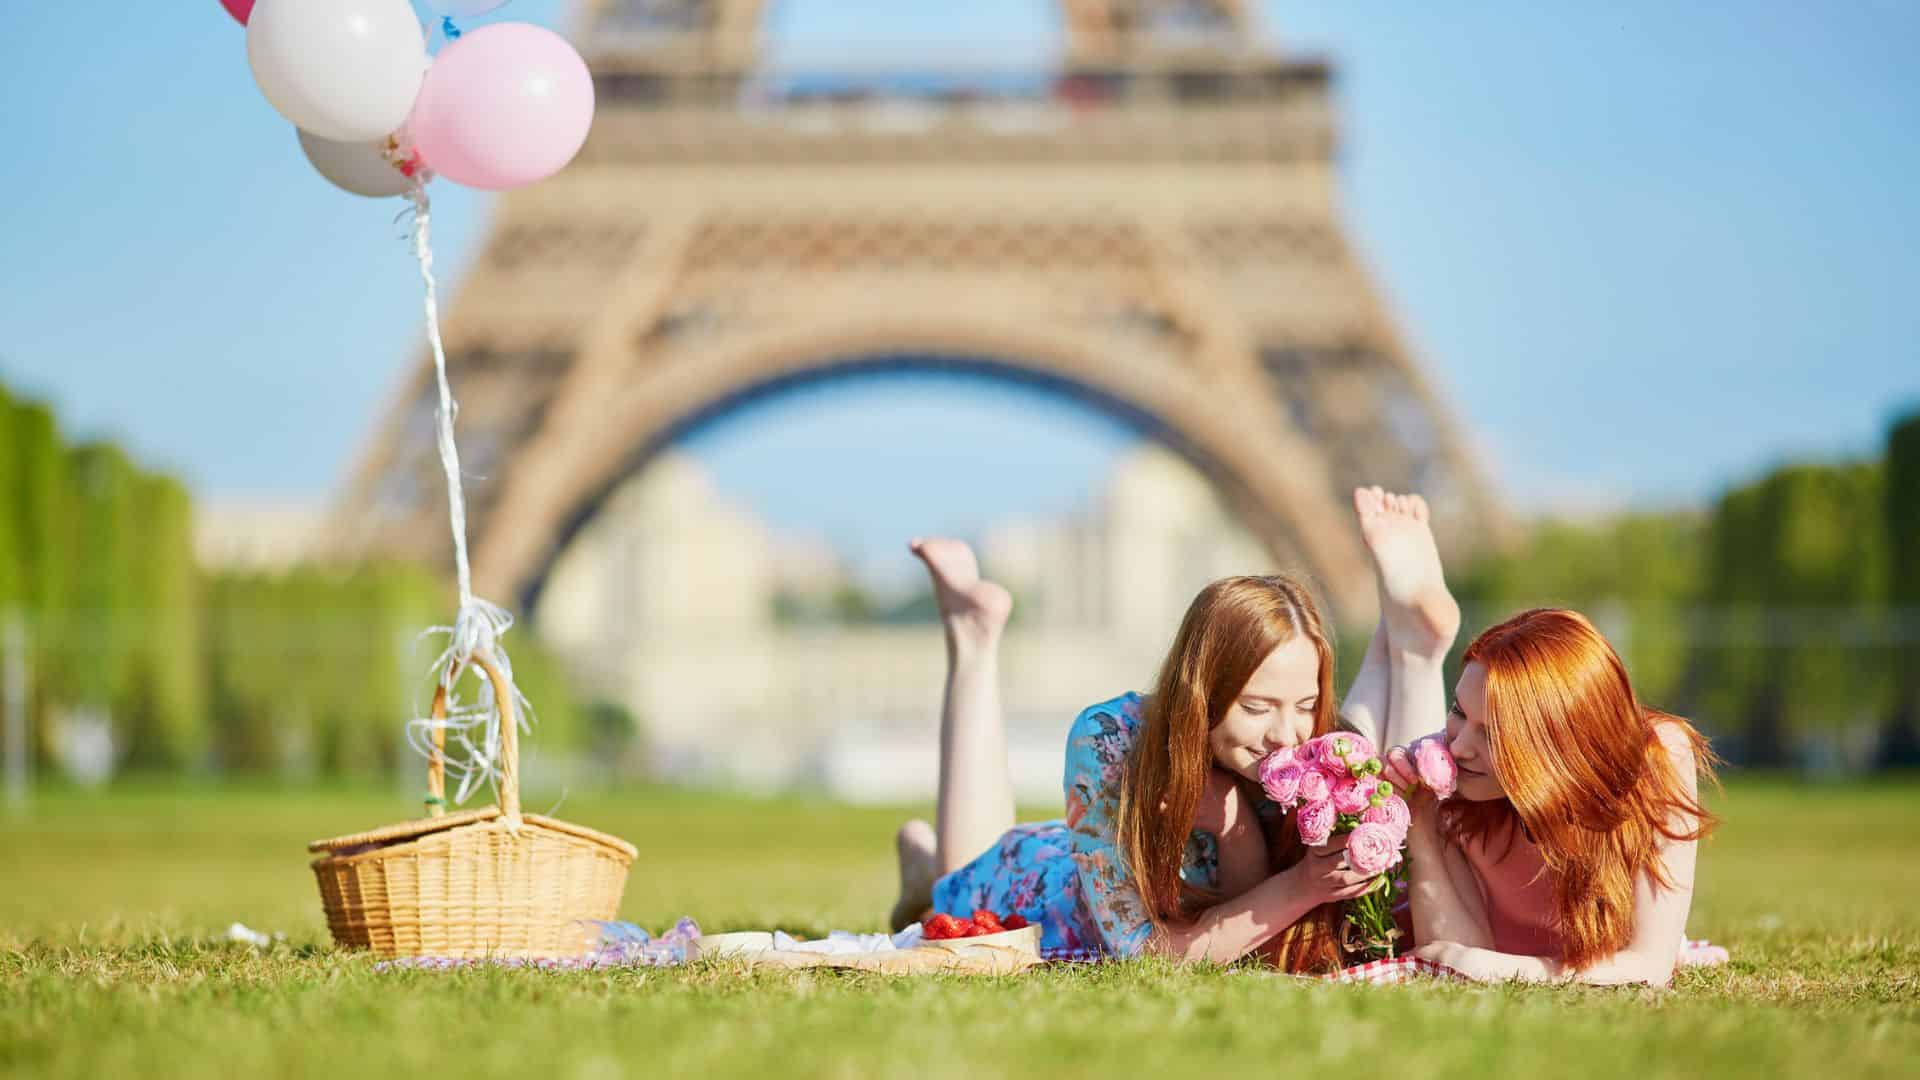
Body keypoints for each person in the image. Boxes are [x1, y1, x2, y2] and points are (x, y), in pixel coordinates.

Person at [888, 489, 1460, 969]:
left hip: (1106, 855)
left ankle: (1410, 647)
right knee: (952, 885)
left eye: (1305, 703)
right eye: (1256, 708)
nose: (1287, 735)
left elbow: (1382, 772)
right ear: (1200, 694)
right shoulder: (1111, 737)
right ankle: (972, 634)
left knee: (1368, 753)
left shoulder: (1304, 748)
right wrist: (1303, 882)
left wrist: (1408, 652)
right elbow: (1146, 952)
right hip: (1047, 883)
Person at [1385, 607, 1725, 985]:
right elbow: (1449, 959)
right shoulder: (1457, 789)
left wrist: (1502, 968)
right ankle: (1410, 648)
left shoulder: (1656, 760)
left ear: (1558, 740)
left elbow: (1650, 966)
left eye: (1493, 733)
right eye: (1458, 712)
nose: (1460, 746)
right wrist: (1420, 823)